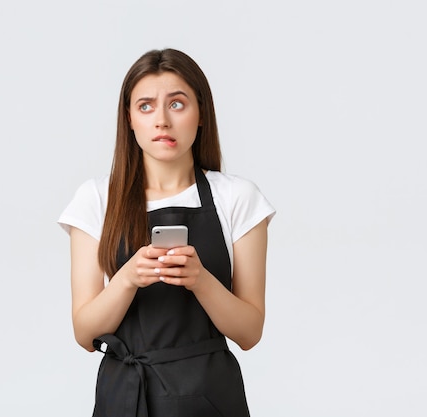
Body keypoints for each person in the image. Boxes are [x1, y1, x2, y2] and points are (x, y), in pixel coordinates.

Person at [58, 48, 275, 417]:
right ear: (128, 118)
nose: (161, 120)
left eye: (176, 104)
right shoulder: (95, 199)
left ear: (200, 113)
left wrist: (200, 280)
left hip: (208, 397)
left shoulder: (237, 197)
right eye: (145, 106)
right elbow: (85, 334)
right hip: (124, 397)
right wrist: (128, 279)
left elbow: (249, 333)